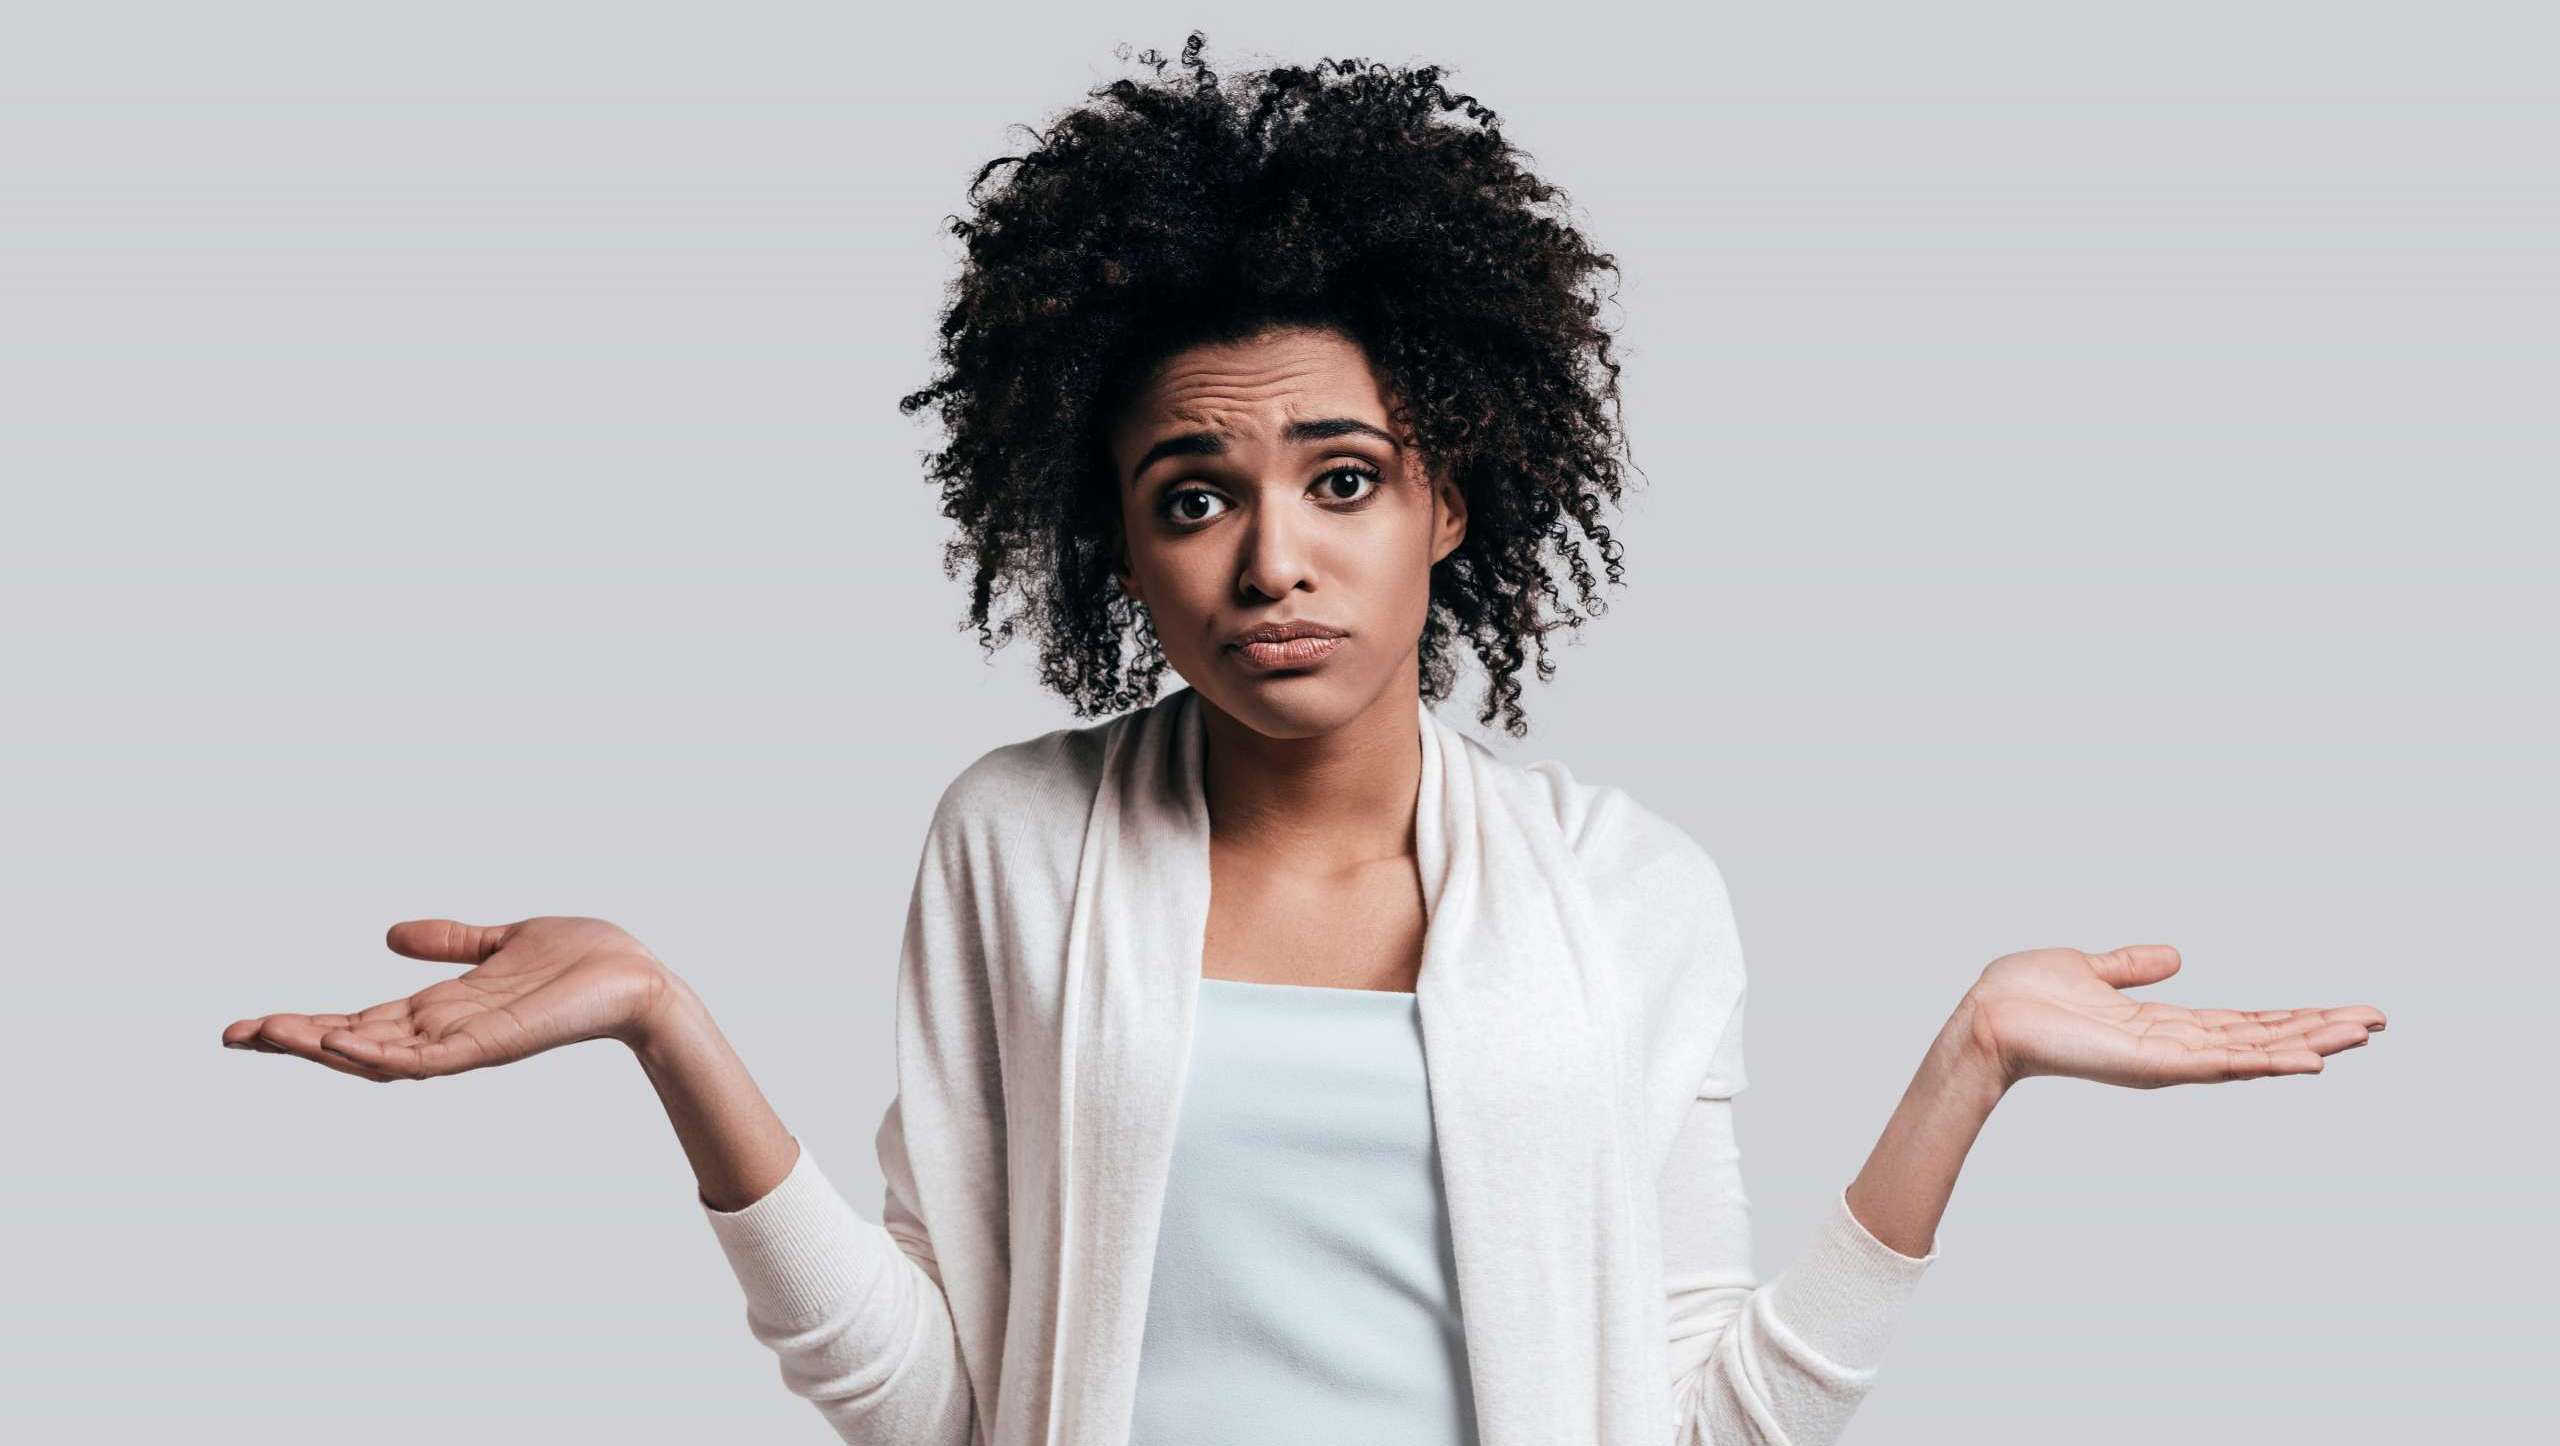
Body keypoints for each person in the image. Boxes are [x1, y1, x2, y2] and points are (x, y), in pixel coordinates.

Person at [217, 33, 2388, 1446]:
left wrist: (1969, 1064)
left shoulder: (1630, 890)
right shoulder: (1014, 841)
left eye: (1342, 478)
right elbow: (933, 1392)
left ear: (1452, 499)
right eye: (1196, 497)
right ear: (1119, 545)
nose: (1273, 557)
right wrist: (667, 1028)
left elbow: (1701, 1411)